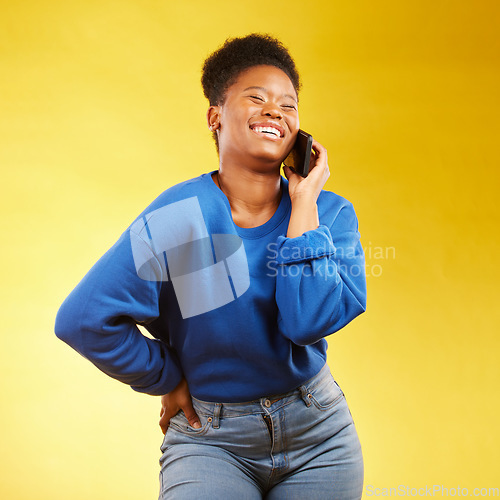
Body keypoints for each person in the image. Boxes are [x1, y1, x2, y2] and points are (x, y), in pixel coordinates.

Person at [55, 33, 367, 499]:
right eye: (256, 98)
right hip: (212, 438)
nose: (274, 112)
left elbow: (307, 322)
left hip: (320, 434)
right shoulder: (177, 216)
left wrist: (304, 203)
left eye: (288, 105)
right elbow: (83, 320)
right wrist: (167, 378)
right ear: (215, 116)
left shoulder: (333, 216)